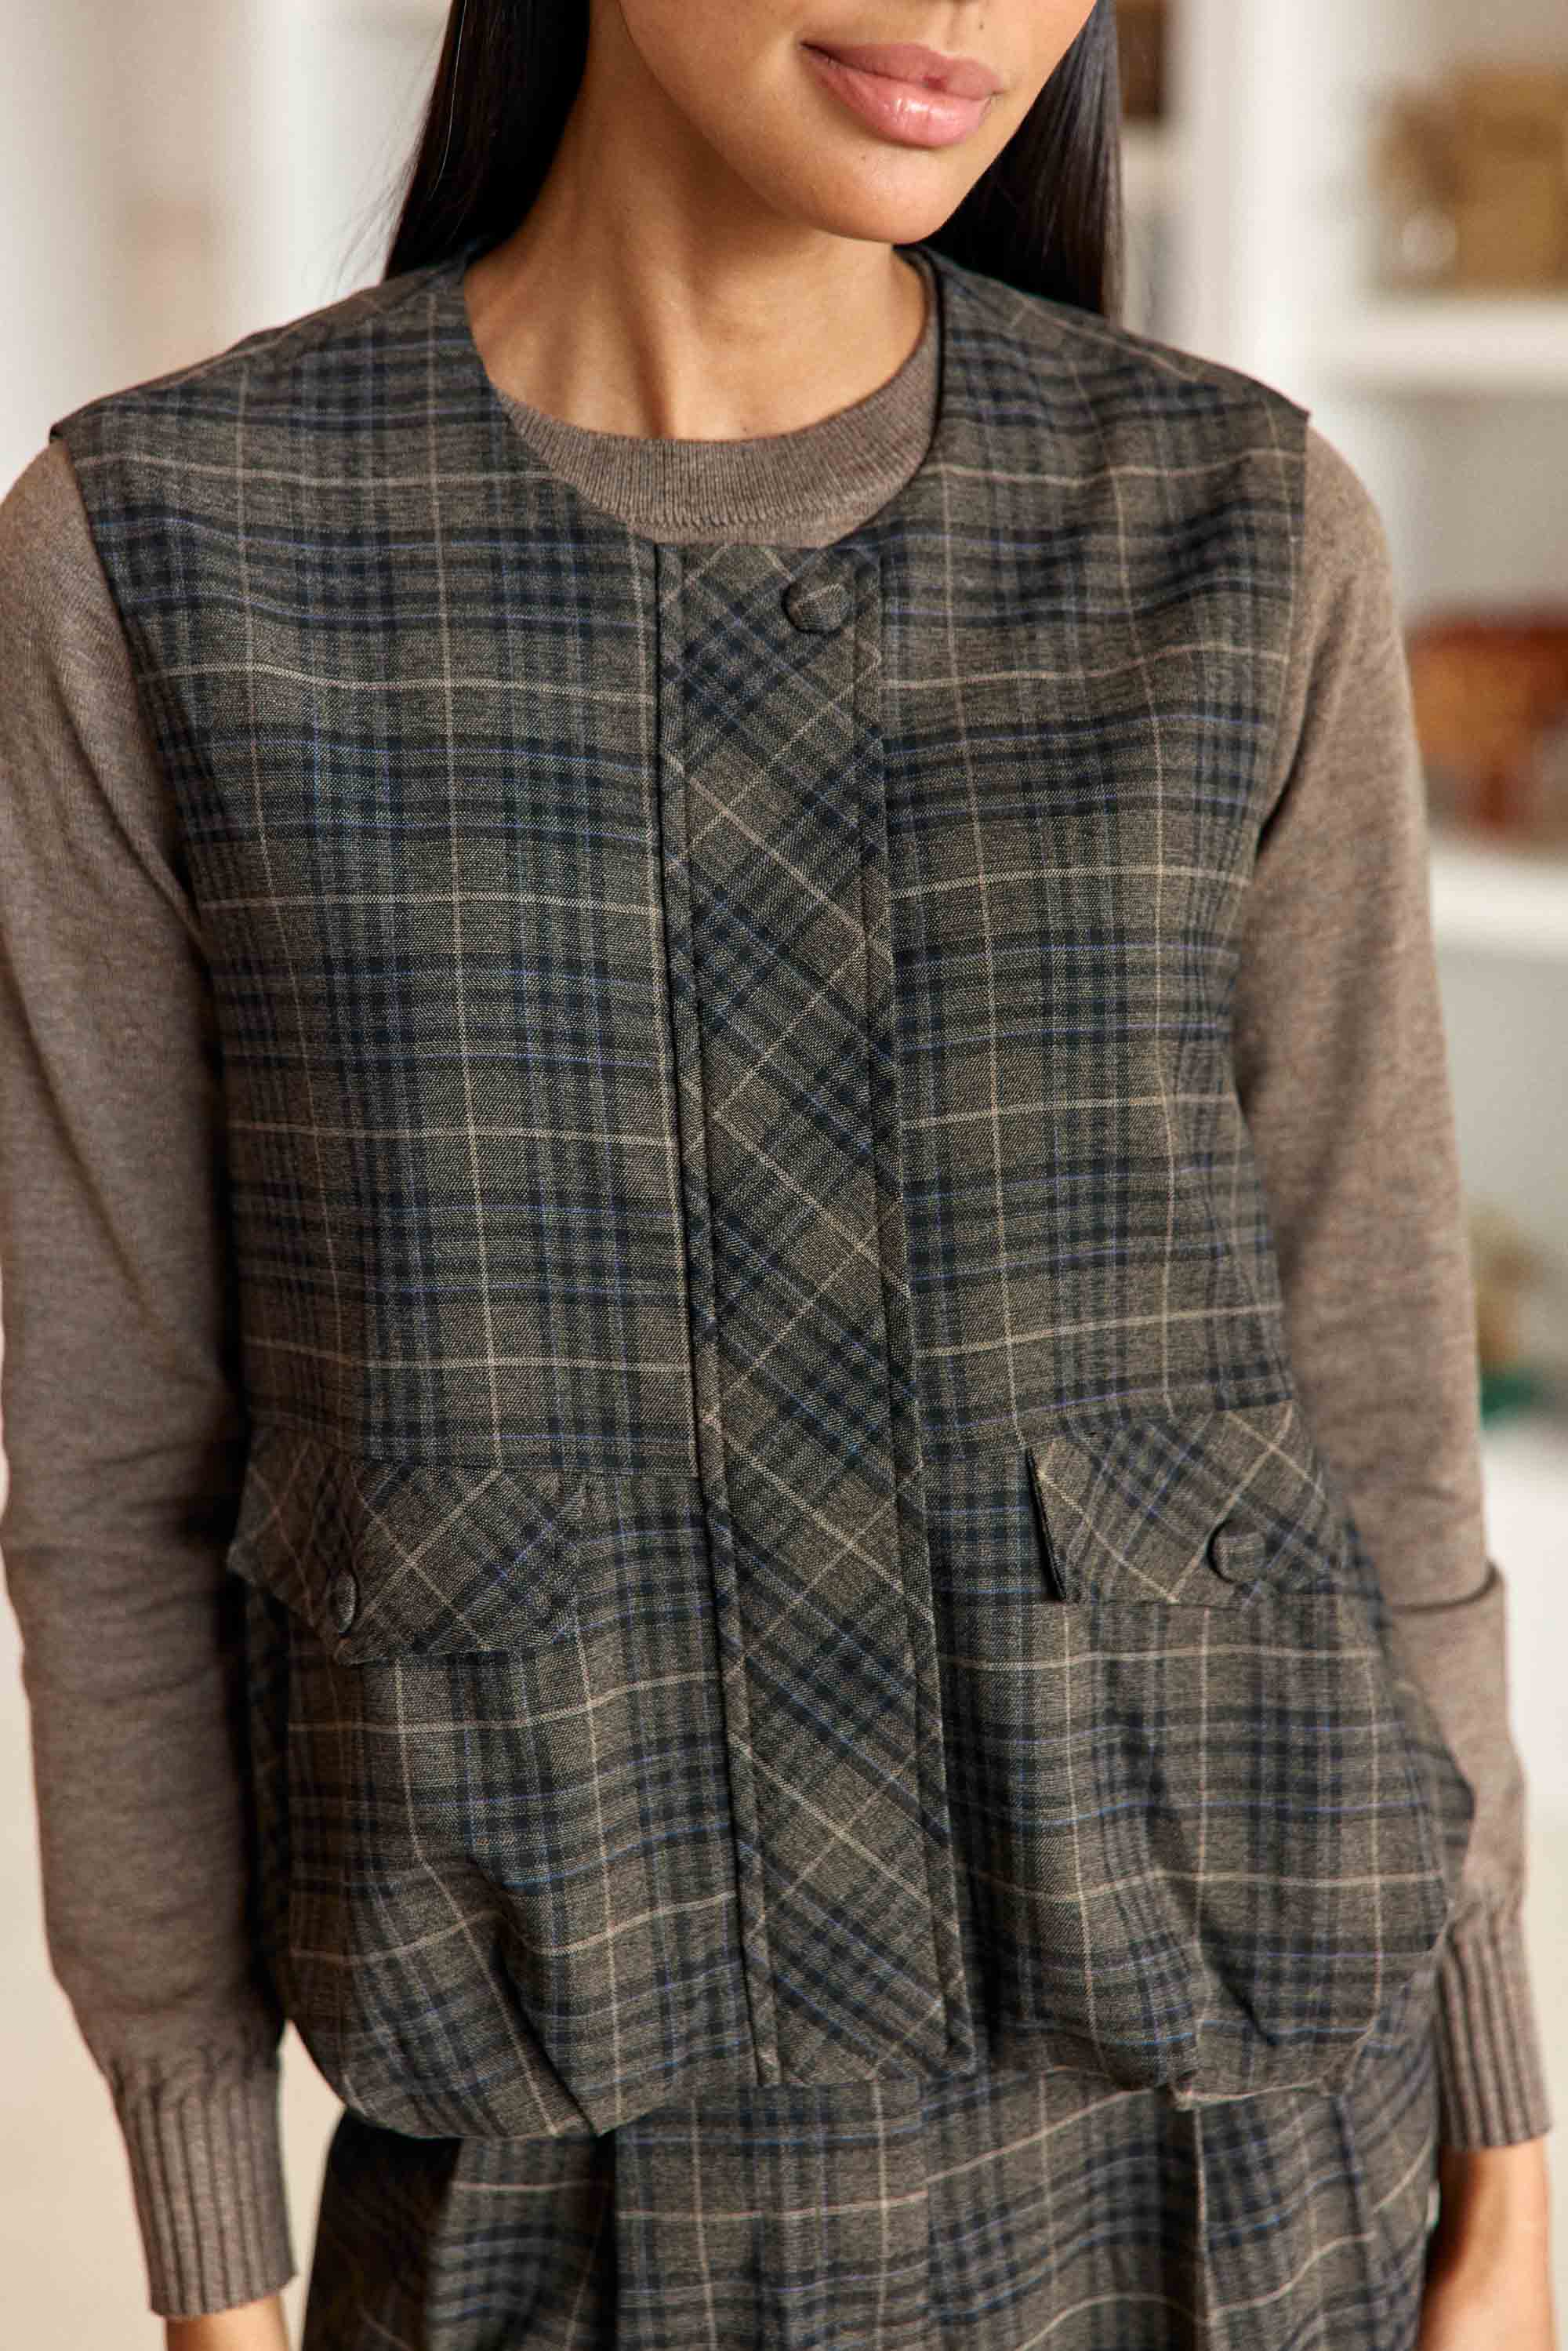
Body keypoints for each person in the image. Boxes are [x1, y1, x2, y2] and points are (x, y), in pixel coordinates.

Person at [0, 2, 1557, 2345]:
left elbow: (1375, 1406)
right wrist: (214, 2260)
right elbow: (120, 1479)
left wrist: (1506, 2175)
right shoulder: (166, 558)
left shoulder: (1234, 530)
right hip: (555, 2229)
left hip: (1238, 2179)